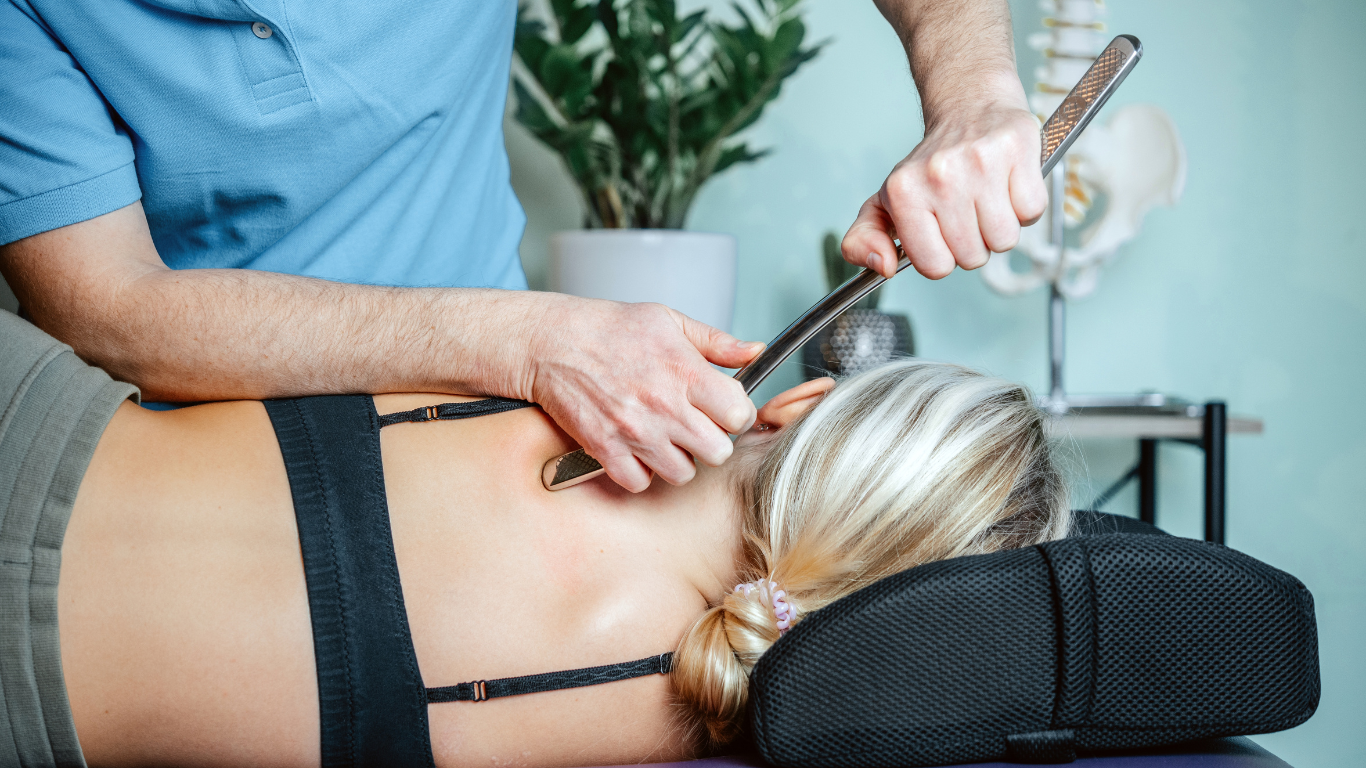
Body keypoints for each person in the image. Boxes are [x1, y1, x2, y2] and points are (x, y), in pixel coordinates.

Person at [0, 0, 1048, 493]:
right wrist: (528, 344)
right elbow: (104, 309)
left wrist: (972, 95)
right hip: (192, 492)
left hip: (491, 458)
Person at [0, 310, 1068, 767]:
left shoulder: (573, 368)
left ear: (801, 404)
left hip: (32, 420)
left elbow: (163, 339)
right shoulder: (660, 712)